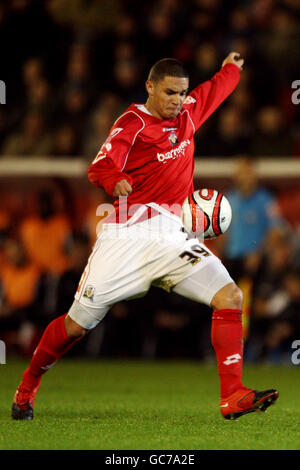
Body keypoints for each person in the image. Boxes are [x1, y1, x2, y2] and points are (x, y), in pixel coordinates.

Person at [12, 52, 279, 421]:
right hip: (128, 237)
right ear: (150, 87)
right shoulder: (132, 123)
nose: (178, 101)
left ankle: (232, 395)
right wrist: (114, 180)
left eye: (182, 93)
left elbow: (215, 91)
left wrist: (231, 68)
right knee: (76, 325)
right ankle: (27, 385)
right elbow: (100, 165)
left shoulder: (187, 113)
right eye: (170, 92)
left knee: (230, 295)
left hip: (172, 236)